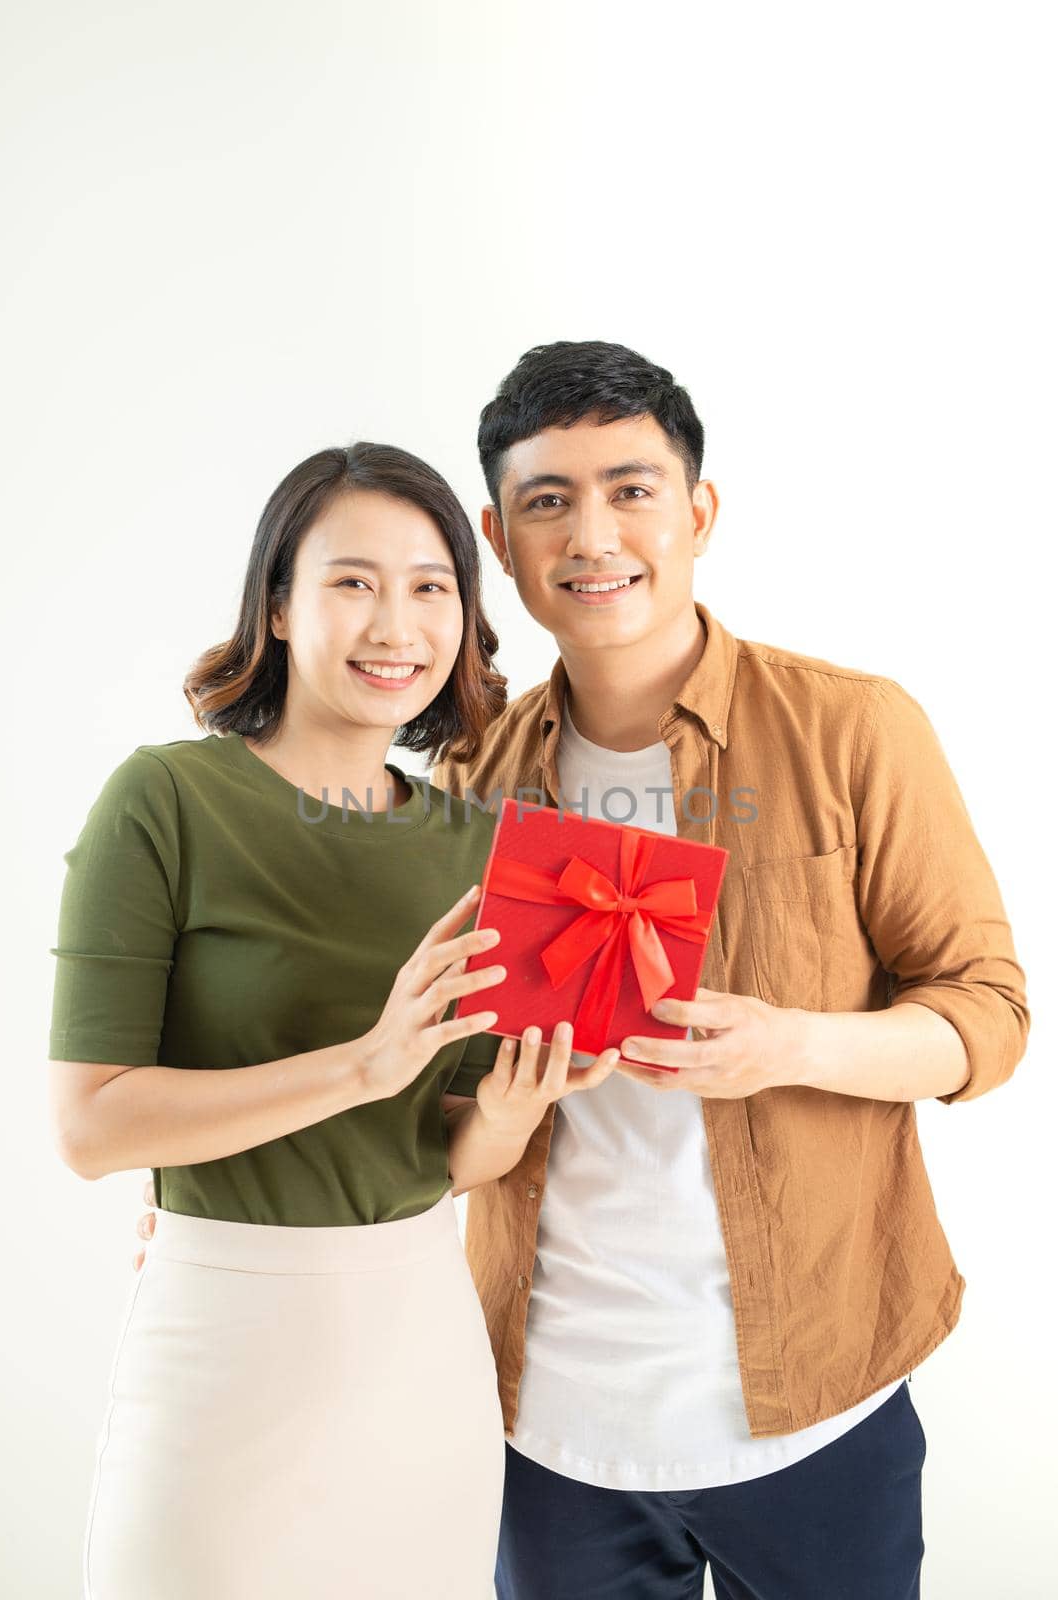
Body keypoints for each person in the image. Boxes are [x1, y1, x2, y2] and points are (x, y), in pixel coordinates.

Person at [424, 341, 1026, 1599]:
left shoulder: (855, 728)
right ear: (499, 534)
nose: (594, 534)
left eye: (632, 488)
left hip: (817, 1403)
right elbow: (425, 1094)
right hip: (551, 1428)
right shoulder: (467, 785)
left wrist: (791, 1043)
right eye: (549, 500)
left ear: (698, 511)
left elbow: (989, 1014)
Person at [47, 441, 620, 1600]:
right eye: (352, 582)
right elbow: (92, 1128)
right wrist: (362, 1063)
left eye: (430, 587)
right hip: (220, 1342)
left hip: (421, 1357)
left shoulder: (479, 847)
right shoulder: (166, 800)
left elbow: (445, 1156)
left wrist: (509, 1115)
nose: (394, 624)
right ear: (277, 602)